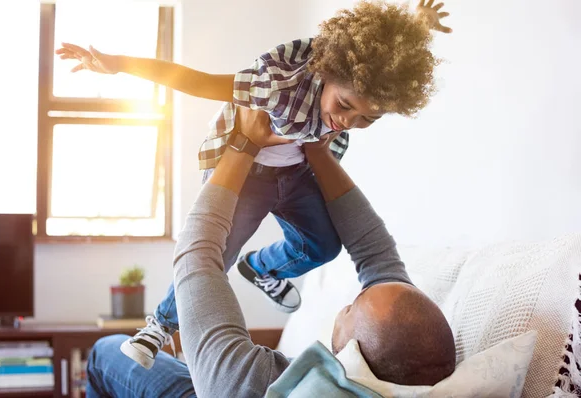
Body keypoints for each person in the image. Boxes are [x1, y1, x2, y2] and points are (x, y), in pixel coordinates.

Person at [56, 0, 452, 369]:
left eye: (368, 118)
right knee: (216, 256)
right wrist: (119, 64)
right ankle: (159, 326)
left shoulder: (361, 84)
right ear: (326, 74)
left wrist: (416, 25)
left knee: (324, 245)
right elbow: (193, 80)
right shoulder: (276, 85)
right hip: (249, 172)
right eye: (345, 106)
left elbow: (381, 53)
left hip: (296, 174)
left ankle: (262, 268)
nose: (349, 122)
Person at [86, 107, 456, 397]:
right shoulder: (407, 374)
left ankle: (165, 321)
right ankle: (261, 266)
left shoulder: (247, 384)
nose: (348, 303)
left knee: (106, 352)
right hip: (293, 167)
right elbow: (374, 251)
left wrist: (243, 144)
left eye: (350, 309)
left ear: (351, 353)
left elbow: (197, 256)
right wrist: (313, 142)